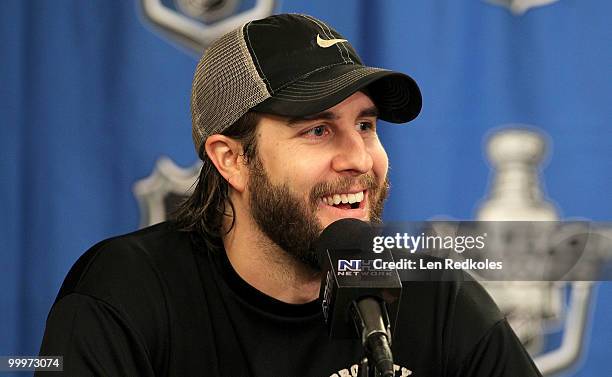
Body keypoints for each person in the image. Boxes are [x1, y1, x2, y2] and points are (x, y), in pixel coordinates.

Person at [38, 13, 542, 377]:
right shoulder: (128, 293)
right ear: (231, 159)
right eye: (318, 130)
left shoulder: (436, 295)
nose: (359, 159)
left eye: (365, 125)